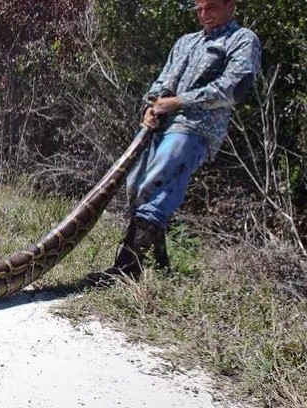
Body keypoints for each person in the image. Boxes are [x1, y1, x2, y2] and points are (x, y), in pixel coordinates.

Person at [88, 0, 261, 283]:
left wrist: (179, 101)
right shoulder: (185, 41)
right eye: (199, 9)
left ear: (231, 5)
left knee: (155, 184)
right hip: (158, 124)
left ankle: (126, 269)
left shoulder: (242, 40)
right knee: (136, 187)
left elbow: (234, 88)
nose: (204, 15)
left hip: (195, 127)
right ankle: (159, 264)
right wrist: (150, 105)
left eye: (211, 8)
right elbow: (163, 81)